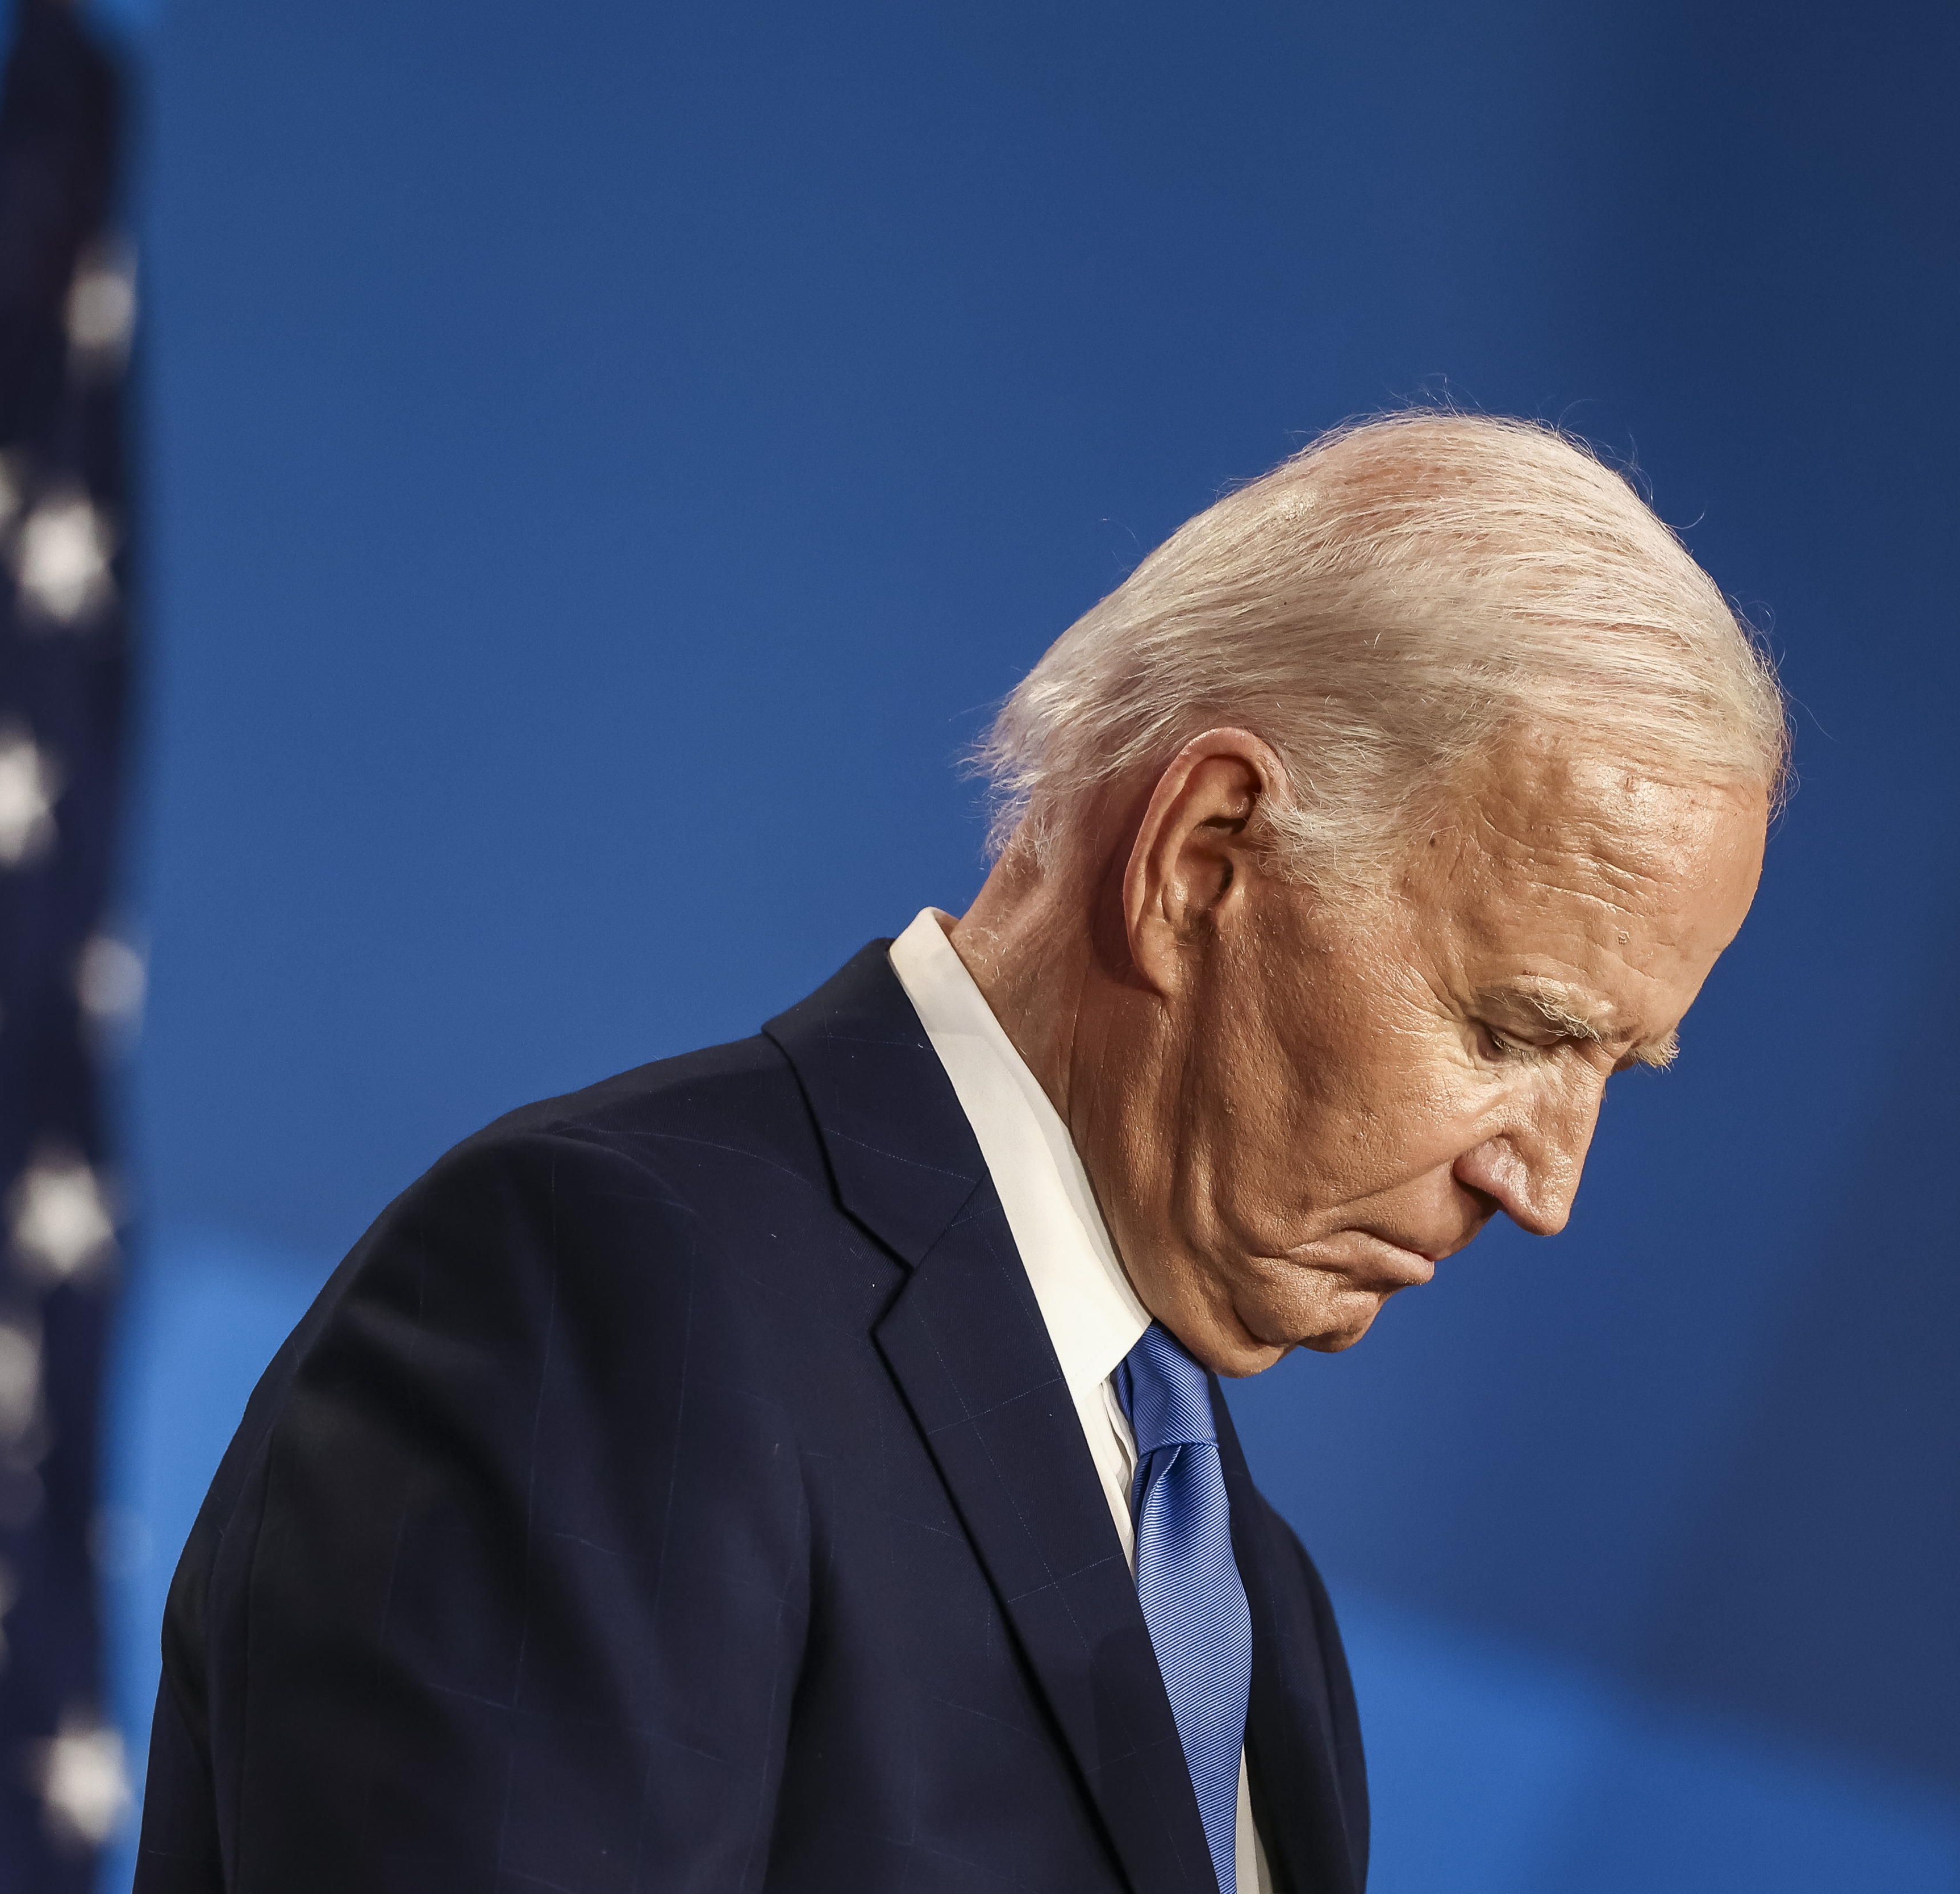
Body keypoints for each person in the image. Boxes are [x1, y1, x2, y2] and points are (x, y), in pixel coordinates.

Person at [132, 414, 1785, 1894]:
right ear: (1202, 860)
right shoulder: (616, 1302)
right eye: (1515, 1030)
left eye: (1614, 1071)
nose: (1546, 1184)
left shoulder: (1253, 1598)